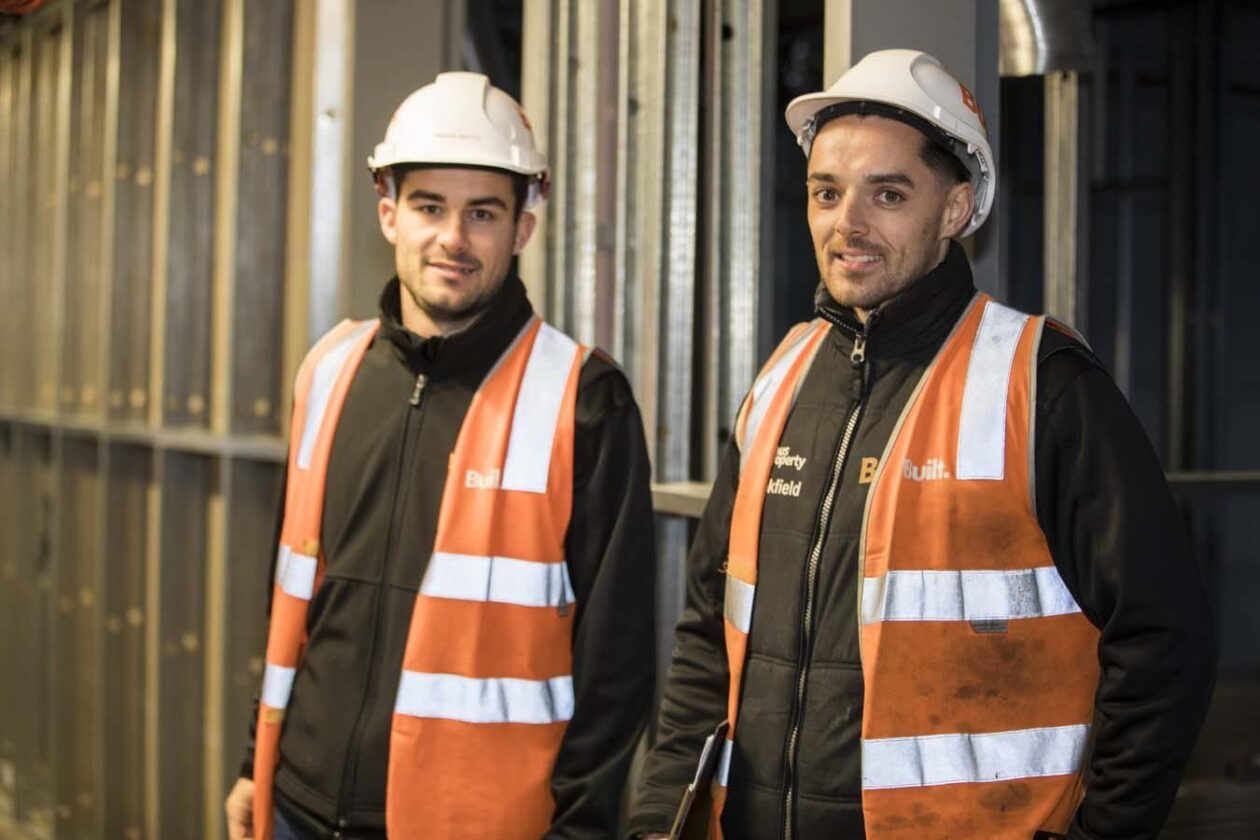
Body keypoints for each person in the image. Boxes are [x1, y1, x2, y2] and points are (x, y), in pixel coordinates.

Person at [627, 49, 1215, 840]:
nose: (848, 224)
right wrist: (659, 818)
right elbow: (709, 636)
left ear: (956, 208)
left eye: (889, 194)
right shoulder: (782, 380)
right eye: (827, 192)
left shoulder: (1040, 385)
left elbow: (1165, 639)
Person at [224, 71, 657, 840]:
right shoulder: (331, 370)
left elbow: (615, 663)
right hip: (298, 804)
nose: (453, 238)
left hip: (475, 822)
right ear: (389, 213)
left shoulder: (583, 398)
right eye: (430, 207)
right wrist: (253, 764)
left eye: (481, 213)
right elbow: (290, 593)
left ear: (522, 228)